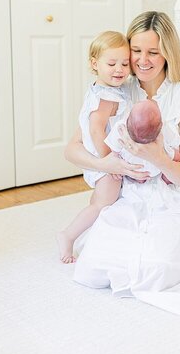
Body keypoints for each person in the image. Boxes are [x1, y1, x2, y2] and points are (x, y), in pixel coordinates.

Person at [64, 11, 180, 315]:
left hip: (179, 193)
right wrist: (109, 166)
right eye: (136, 51)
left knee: (156, 270)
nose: (142, 60)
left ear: (168, 52)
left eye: (153, 52)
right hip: (131, 191)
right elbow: (72, 149)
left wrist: (156, 156)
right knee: (94, 268)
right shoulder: (116, 88)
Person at [57, 30, 132, 263]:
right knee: (103, 203)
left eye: (125, 63)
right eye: (111, 63)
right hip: (104, 158)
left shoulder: (100, 89)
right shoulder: (106, 97)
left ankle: (85, 234)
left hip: (97, 156)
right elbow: (96, 129)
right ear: (94, 63)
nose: (119, 69)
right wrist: (110, 162)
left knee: (98, 200)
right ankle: (68, 235)